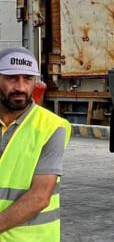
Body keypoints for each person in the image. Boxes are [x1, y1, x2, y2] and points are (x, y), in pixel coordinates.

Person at [0, 46, 72, 241]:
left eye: (28, 79)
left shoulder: (52, 128)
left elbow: (39, 197)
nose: (21, 87)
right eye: (11, 78)